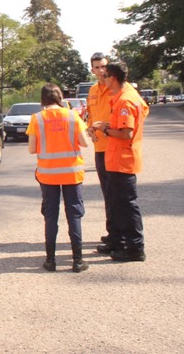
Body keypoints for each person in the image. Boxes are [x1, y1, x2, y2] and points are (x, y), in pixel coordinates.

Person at [26, 83, 90, 273]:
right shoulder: (72, 115)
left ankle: (50, 261)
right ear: (60, 97)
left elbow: (31, 149)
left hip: (47, 175)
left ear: (43, 99)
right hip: (72, 173)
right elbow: (85, 142)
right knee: (74, 215)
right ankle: (78, 261)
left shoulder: (36, 119)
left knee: (51, 216)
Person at [91, 61, 149, 262]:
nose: (102, 78)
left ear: (113, 78)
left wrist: (104, 129)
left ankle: (135, 247)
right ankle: (118, 240)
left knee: (126, 204)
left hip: (123, 159)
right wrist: (106, 124)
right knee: (117, 202)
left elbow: (126, 133)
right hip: (115, 159)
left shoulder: (125, 100)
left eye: (105, 75)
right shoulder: (123, 97)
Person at [85, 52, 115, 246]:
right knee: (107, 192)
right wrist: (89, 126)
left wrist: (111, 128)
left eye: (103, 66)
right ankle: (112, 231)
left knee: (117, 192)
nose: (101, 70)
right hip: (100, 148)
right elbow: (90, 113)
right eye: (97, 67)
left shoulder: (117, 88)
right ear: (92, 70)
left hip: (115, 146)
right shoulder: (93, 90)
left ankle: (119, 233)